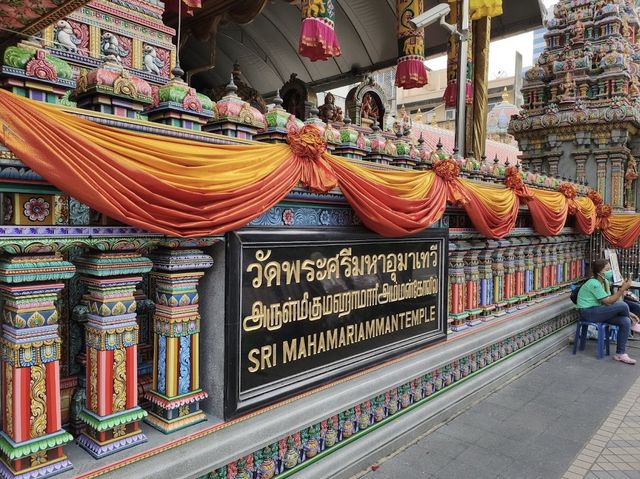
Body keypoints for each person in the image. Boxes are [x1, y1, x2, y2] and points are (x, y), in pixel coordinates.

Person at [576, 259, 636, 364]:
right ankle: (633, 323)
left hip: (599, 310)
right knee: (623, 304)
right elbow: (608, 301)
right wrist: (622, 289)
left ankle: (620, 354)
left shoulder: (605, 282)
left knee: (625, 321)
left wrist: (629, 313)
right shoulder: (593, 283)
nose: (610, 271)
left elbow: (610, 302)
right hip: (588, 312)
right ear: (599, 272)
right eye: (607, 269)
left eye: (610, 268)